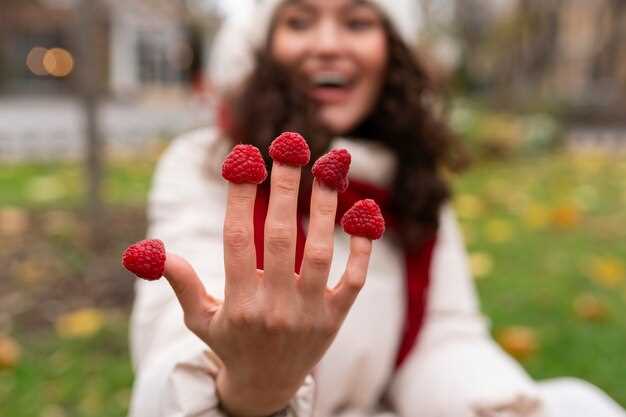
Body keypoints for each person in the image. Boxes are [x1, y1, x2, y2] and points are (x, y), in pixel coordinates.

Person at [128, 1, 626, 416]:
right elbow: (174, 345)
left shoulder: (410, 176)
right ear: (262, 48)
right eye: (299, 21)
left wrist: (501, 409)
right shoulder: (207, 163)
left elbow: (442, 340)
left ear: (390, 49)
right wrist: (248, 388)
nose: (328, 44)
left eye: (358, 21)